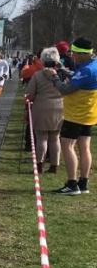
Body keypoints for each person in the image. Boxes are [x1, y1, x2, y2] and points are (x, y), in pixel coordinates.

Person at [47, 37, 97, 195]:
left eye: (74, 53)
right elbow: (77, 76)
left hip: (76, 115)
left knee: (67, 146)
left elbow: (65, 89)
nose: (72, 56)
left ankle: (72, 184)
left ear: (83, 54)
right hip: (88, 114)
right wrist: (62, 69)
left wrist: (54, 77)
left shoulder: (86, 70)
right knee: (85, 147)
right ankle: (83, 183)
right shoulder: (92, 65)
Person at [26, 47, 64, 174]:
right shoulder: (61, 74)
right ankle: (54, 165)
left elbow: (30, 94)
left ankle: (39, 165)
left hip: (41, 108)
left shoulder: (37, 75)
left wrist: (28, 99)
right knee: (55, 138)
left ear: (42, 60)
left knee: (41, 138)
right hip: (59, 108)